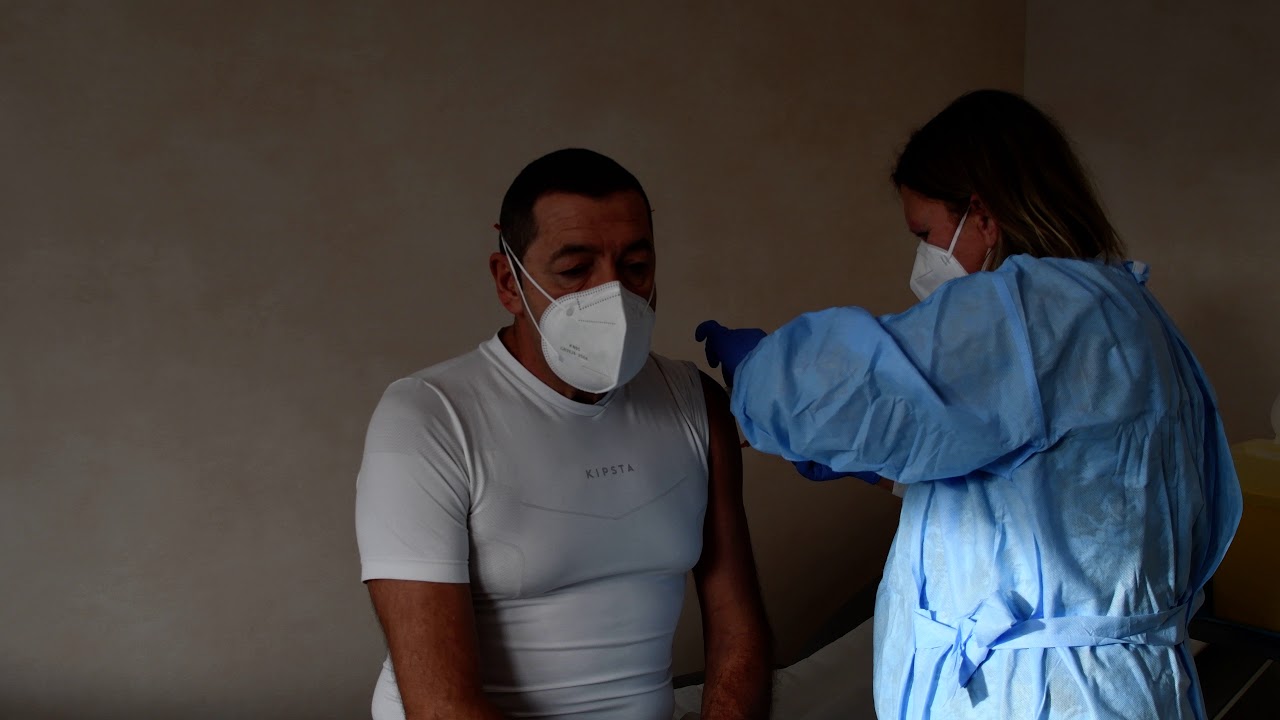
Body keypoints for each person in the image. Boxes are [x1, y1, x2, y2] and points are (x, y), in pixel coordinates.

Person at [695, 90, 1242, 719]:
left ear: (982, 213)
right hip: (1120, 686)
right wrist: (884, 470)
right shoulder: (1123, 309)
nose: (922, 261)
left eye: (925, 233)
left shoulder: (1036, 310)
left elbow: (842, 387)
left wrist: (759, 372)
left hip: (1045, 693)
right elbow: (1046, 483)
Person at [355, 148, 772, 720]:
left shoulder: (693, 402)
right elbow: (440, 706)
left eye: (636, 266)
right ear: (509, 282)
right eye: (576, 271)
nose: (613, 295)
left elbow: (738, 633)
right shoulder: (429, 418)